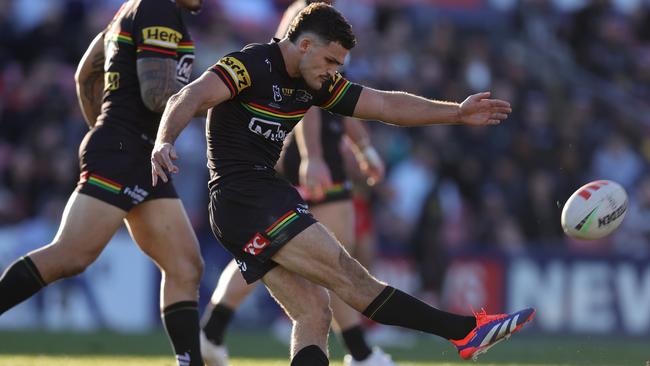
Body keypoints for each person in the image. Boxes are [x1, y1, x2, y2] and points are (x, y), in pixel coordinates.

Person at [151, 3, 535, 365]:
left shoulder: (317, 80)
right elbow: (189, 95)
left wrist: (456, 112)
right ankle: (464, 331)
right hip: (248, 197)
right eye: (330, 60)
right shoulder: (250, 65)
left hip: (251, 202)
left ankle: (458, 334)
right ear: (304, 44)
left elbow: (386, 106)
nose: (334, 71)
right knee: (350, 278)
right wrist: (164, 141)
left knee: (314, 313)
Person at [0, 1, 205, 365]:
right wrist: (218, 98)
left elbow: (85, 74)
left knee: (185, 266)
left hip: (139, 152)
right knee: (70, 255)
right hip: (125, 151)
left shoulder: (130, 9)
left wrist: (103, 127)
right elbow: (156, 95)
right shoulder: (160, 9)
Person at [198, 2, 394, 366]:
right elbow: (300, 97)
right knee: (331, 260)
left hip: (305, 155)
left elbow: (342, 97)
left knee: (271, 251)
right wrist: (314, 155)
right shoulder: (305, 20)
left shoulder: (328, 20)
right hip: (309, 159)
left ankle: (212, 329)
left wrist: (363, 145)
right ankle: (361, 352)